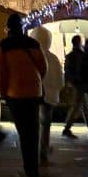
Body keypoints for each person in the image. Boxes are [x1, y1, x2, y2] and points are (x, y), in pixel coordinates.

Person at [0, 13, 46, 177]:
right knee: (33, 130)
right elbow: (43, 67)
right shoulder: (34, 44)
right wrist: (35, 82)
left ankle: (29, 169)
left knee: (24, 132)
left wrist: (1, 92)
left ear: (8, 28)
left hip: (15, 93)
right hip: (34, 92)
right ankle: (34, 168)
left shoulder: (2, 46)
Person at [29, 26, 63, 164]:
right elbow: (59, 79)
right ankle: (43, 150)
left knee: (34, 125)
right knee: (45, 125)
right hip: (49, 97)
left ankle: (34, 152)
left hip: (33, 95)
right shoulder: (53, 58)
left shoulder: (30, 57)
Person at [61, 36, 88, 137]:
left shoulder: (69, 55)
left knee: (83, 106)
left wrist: (69, 83)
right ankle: (67, 128)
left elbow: (67, 71)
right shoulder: (81, 55)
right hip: (80, 84)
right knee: (78, 107)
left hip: (75, 84)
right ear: (79, 43)